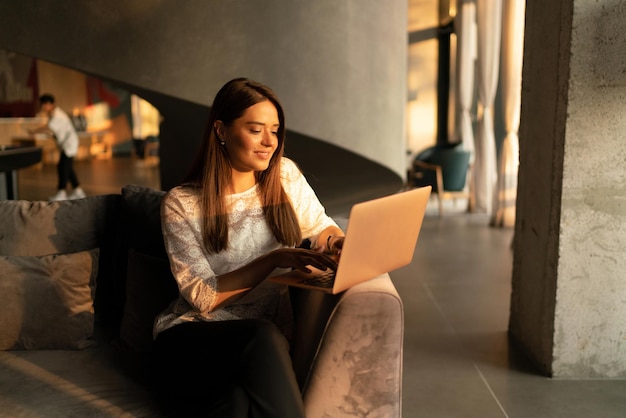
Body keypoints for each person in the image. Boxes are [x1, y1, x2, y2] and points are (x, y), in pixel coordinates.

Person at [152, 78, 345, 417]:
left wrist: (336, 241)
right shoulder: (181, 204)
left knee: (237, 404)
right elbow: (202, 297)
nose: (270, 142)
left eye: (275, 130)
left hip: (260, 344)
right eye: (256, 130)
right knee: (262, 337)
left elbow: (319, 226)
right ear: (221, 131)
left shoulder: (284, 176)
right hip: (191, 339)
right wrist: (274, 260)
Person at [30, 94, 86, 201]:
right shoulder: (54, 114)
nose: (42, 107)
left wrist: (34, 131)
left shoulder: (57, 115)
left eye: (43, 105)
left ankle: (61, 192)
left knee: (63, 167)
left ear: (49, 104)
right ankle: (78, 191)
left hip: (69, 144)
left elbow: (49, 128)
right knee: (68, 168)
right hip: (66, 144)